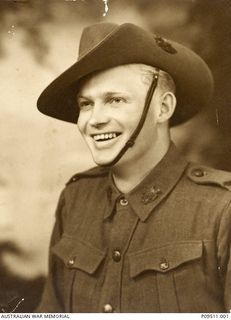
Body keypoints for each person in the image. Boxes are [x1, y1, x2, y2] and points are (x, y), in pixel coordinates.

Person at [36, 22, 231, 313]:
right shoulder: (75, 199)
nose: (95, 119)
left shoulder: (221, 208)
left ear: (163, 108)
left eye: (115, 100)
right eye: (86, 104)